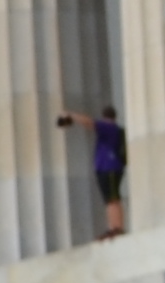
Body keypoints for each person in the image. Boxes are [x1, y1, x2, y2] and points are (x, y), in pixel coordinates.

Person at [51, 100, 128, 237]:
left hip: (109, 167)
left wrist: (71, 115)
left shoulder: (108, 127)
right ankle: (113, 227)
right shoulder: (112, 129)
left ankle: (117, 227)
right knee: (109, 199)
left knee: (112, 198)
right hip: (107, 167)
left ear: (105, 117)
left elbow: (89, 122)